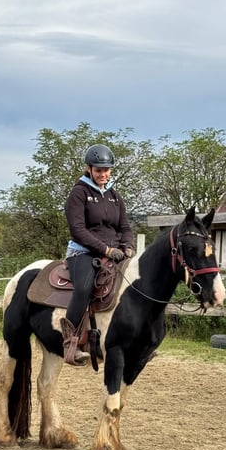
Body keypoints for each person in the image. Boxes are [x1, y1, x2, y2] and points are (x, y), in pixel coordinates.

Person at [61, 143, 135, 366]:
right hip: (83, 253)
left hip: (115, 253)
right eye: (98, 170)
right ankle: (71, 343)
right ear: (89, 169)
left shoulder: (115, 196)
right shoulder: (79, 193)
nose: (103, 174)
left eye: (106, 169)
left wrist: (128, 246)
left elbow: (125, 227)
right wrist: (105, 249)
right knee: (84, 287)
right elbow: (78, 230)